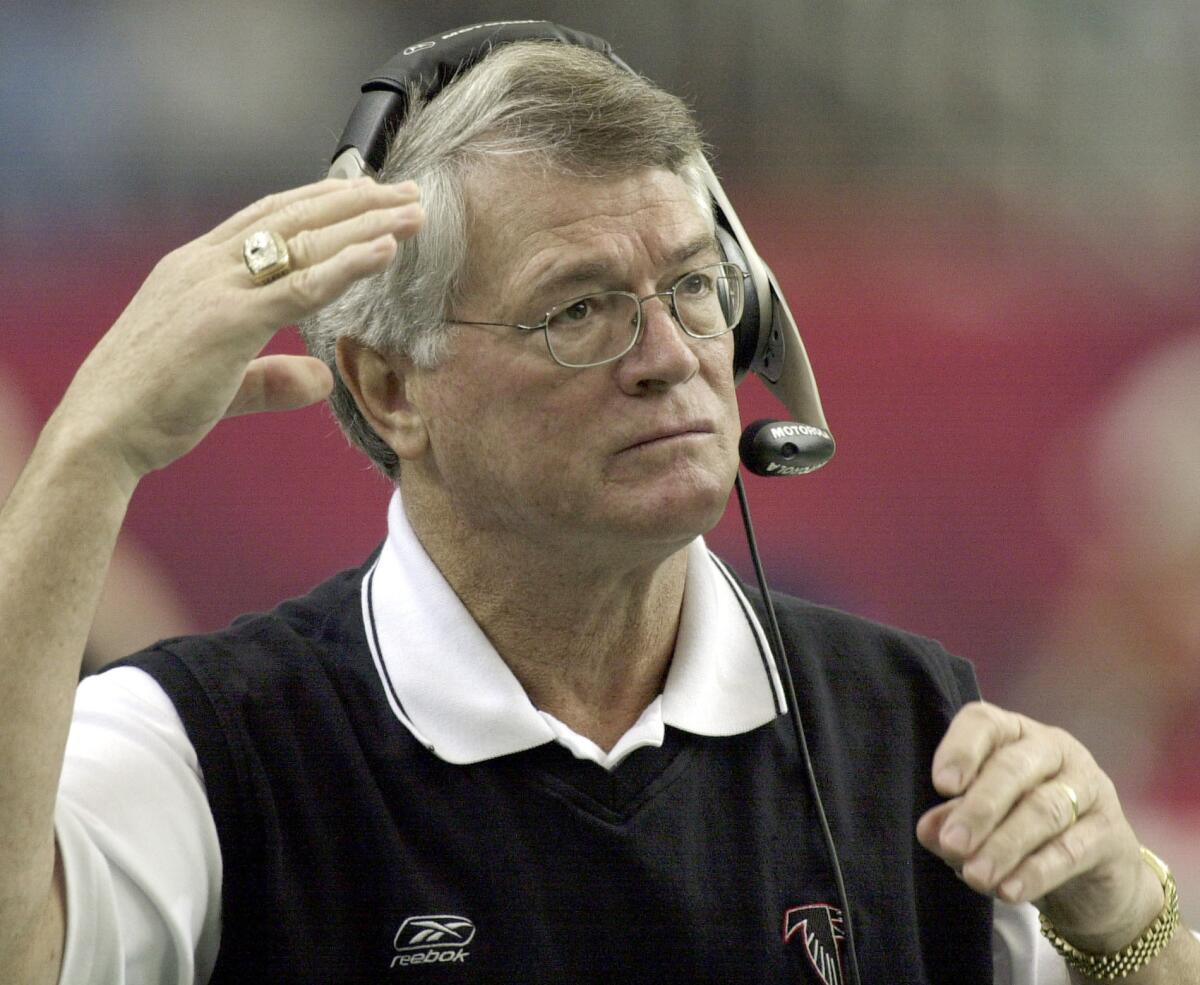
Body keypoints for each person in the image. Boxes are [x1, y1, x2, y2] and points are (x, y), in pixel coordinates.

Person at [0, 32, 1196, 985]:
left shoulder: (916, 728)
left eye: (691, 286)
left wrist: (1120, 914)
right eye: (578, 309)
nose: (671, 354)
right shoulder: (206, 747)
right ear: (388, 383)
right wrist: (84, 458)